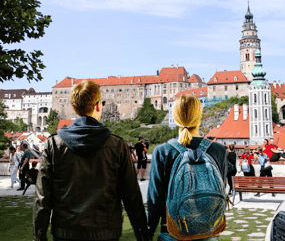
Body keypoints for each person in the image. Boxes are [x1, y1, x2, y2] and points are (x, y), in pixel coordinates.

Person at [33, 80, 149, 241]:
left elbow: (42, 199)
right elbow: (133, 198)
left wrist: (39, 237)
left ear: (74, 108)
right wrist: (143, 237)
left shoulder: (53, 144)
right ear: (98, 106)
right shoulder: (118, 146)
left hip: (66, 232)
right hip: (106, 233)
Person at [147, 94, 227, 241]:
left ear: (175, 118)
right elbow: (221, 190)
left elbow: (155, 201)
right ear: (199, 116)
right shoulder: (218, 150)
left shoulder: (163, 151)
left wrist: (149, 232)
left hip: (172, 232)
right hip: (209, 232)